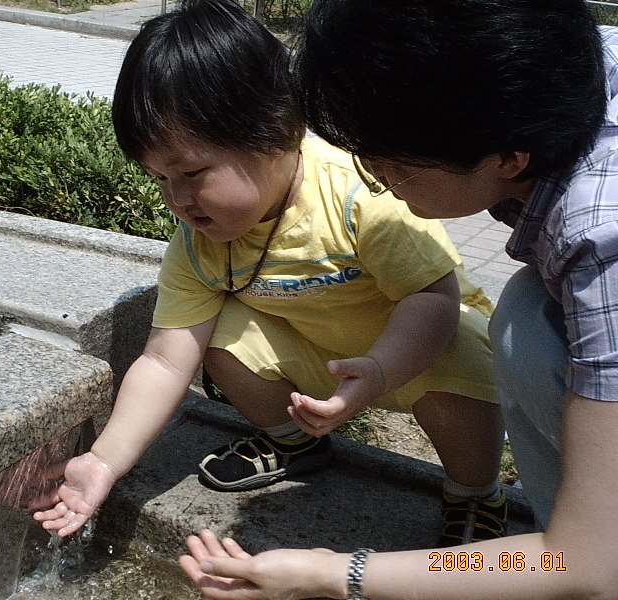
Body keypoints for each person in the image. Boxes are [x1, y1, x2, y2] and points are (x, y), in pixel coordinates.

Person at [179, 0, 618, 598]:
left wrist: (336, 573)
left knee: (527, 332)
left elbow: (584, 563)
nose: (375, 180)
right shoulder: (569, 72)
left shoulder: (601, 243)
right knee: (528, 317)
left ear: (509, 157)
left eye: (393, 166)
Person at [34, 0, 506, 548]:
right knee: (213, 334)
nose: (177, 199)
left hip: (415, 350)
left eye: (192, 172)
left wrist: (379, 371)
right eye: (159, 178)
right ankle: (294, 441)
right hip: (321, 360)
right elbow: (165, 360)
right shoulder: (199, 241)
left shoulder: (358, 193)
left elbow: (432, 299)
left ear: (275, 132)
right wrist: (103, 461)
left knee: (464, 351)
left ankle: (474, 492)